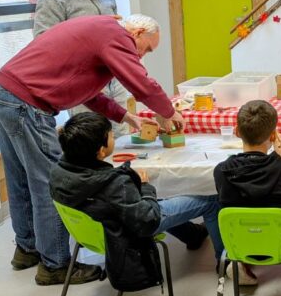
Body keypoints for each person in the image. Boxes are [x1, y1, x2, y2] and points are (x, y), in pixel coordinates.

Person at [0, 14, 184, 286]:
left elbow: (89, 93)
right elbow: (140, 82)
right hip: (27, 103)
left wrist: (128, 118)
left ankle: (27, 248)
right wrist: (168, 112)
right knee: (49, 183)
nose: (142, 56)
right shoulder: (117, 36)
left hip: (4, 92)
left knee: (20, 180)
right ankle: (54, 265)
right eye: (147, 48)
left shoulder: (100, 32)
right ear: (137, 33)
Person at [50, 112, 223, 287]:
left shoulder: (58, 171)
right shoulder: (115, 183)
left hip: (94, 231)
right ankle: (225, 263)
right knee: (211, 200)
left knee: (161, 199)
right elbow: (148, 218)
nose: (114, 138)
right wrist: (145, 187)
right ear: (102, 151)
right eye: (111, 136)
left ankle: (193, 235)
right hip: (128, 231)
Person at [214, 100, 281, 286]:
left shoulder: (221, 170)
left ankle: (240, 264)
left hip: (240, 244)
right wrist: (280, 160)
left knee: (240, 208)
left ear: (237, 132)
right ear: (273, 136)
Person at [33, 0, 128, 137]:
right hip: (82, 84)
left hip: (113, 79)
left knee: (121, 138)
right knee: (90, 141)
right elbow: (44, 44)